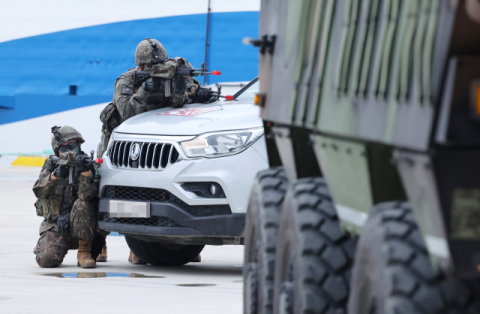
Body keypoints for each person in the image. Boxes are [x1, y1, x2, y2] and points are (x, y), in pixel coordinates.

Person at [97, 37, 210, 264]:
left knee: (153, 200)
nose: (155, 71)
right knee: (107, 198)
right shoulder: (127, 80)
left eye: (158, 66)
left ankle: (169, 247)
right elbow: (128, 112)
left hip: (154, 147)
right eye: (149, 68)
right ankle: (97, 244)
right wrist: (145, 91)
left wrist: (186, 92)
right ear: (140, 67)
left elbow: (182, 105)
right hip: (118, 148)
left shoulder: (175, 76)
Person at [33, 126, 103, 268]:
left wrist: (84, 174)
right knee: (46, 260)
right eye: (63, 148)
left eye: (71, 146)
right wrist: (54, 176)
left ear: (79, 145)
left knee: (82, 204)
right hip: (55, 225)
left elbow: (87, 195)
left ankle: (85, 252)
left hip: (83, 228)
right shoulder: (51, 164)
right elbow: (39, 192)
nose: (68, 151)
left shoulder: (88, 165)